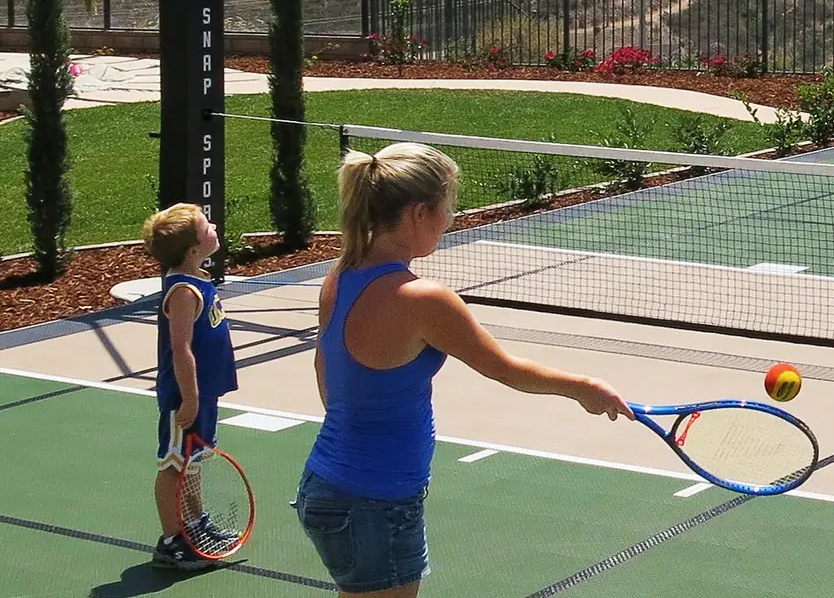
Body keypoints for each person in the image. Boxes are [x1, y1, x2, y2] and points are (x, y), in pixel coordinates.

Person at [295, 142, 634, 597]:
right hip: (374, 501)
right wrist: (586, 387)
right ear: (418, 213)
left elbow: (325, 368)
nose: (451, 219)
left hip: (331, 483)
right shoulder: (422, 299)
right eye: (447, 207)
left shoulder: (341, 272)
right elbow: (507, 370)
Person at [141, 202, 240, 571]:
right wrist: (191, 399)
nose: (214, 227)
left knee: (192, 463)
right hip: (185, 399)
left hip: (203, 396)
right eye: (206, 227)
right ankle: (171, 542)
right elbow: (181, 349)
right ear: (194, 249)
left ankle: (195, 525)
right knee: (173, 467)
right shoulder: (183, 292)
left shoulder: (199, 280)